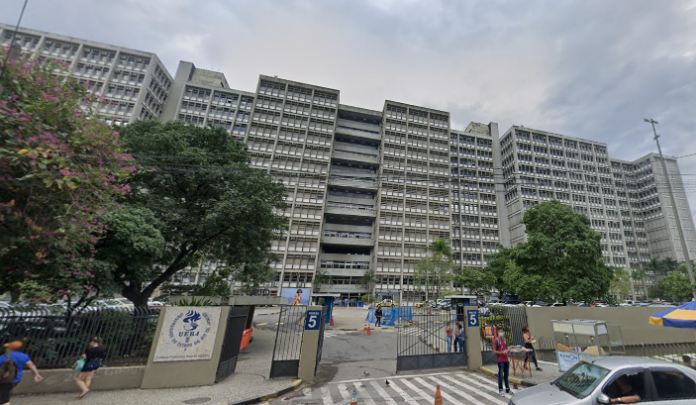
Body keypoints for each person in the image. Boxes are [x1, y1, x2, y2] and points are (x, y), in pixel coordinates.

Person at [493, 329, 512, 396]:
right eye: (500, 332)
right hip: (500, 360)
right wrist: (501, 352)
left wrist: (508, 351)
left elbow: (506, 348)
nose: (501, 333)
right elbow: (494, 351)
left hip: (506, 359)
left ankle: (507, 388)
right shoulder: (496, 341)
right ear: (498, 333)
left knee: (506, 375)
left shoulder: (505, 340)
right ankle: (500, 389)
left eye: (502, 332)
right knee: (500, 375)